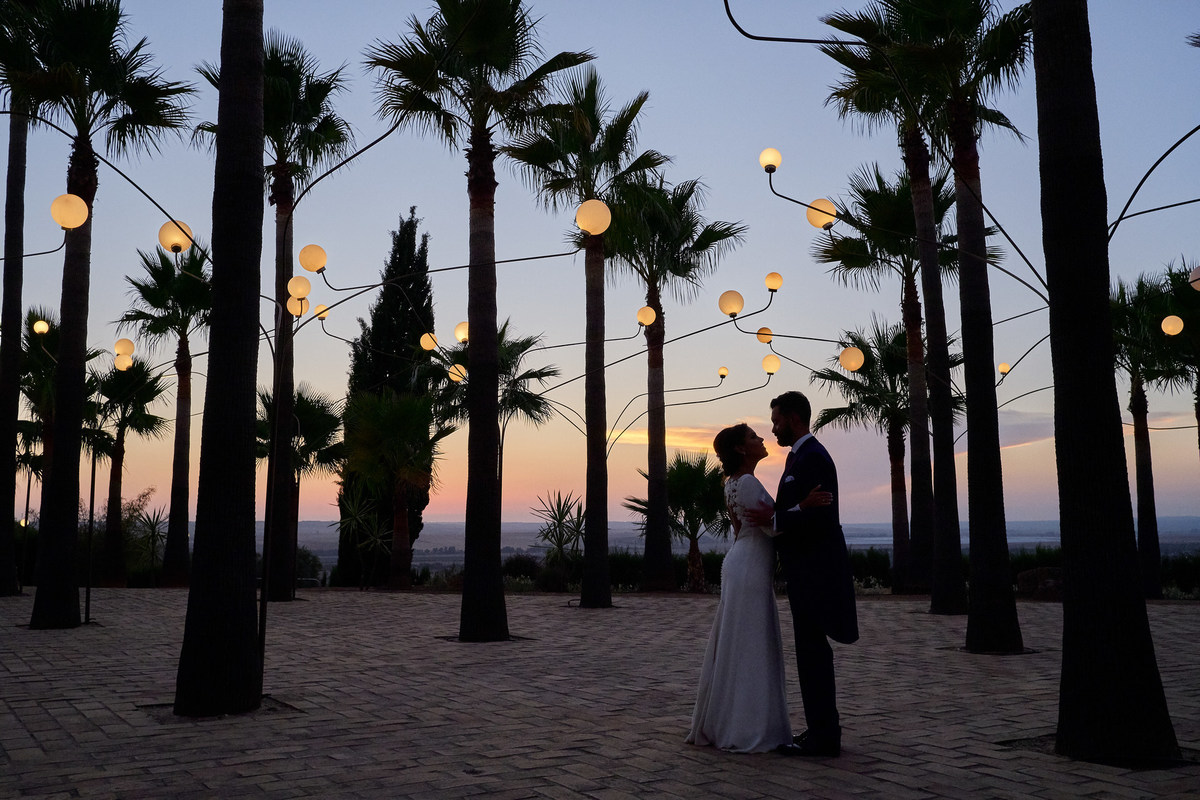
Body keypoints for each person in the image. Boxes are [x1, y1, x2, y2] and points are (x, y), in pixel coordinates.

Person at [686, 423, 832, 754]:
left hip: (742, 562)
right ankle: (749, 727)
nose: (761, 439)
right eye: (753, 437)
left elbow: (747, 527)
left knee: (740, 641)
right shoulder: (748, 483)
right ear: (740, 449)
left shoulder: (732, 484)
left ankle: (732, 720)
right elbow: (771, 528)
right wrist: (803, 508)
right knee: (752, 644)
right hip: (750, 567)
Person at [763, 390, 859, 757]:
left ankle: (825, 735)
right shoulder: (799, 457)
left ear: (793, 417)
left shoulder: (813, 458)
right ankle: (820, 728)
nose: (773, 429)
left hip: (816, 575)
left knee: (813, 653)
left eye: (776, 421)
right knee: (809, 652)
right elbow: (797, 510)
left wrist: (778, 518)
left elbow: (818, 520)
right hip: (805, 574)